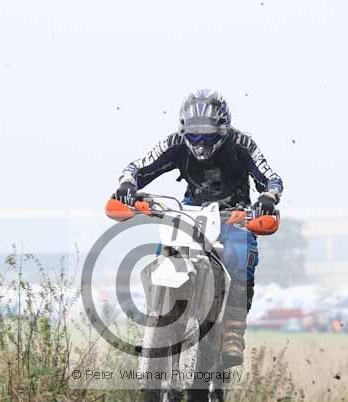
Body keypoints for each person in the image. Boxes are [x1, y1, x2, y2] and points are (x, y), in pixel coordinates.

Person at [115, 89, 283, 367]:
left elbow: (271, 178)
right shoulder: (175, 143)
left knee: (240, 254)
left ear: (223, 130)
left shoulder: (242, 144)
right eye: (194, 136)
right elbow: (139, 166)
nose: (200, 142)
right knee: (164, 249)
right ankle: (158, 312)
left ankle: (233, 330)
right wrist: (127, 185)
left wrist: (267, 198)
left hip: (234, 213)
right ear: (184, 130)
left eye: (207, 136)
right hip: (191, 209)